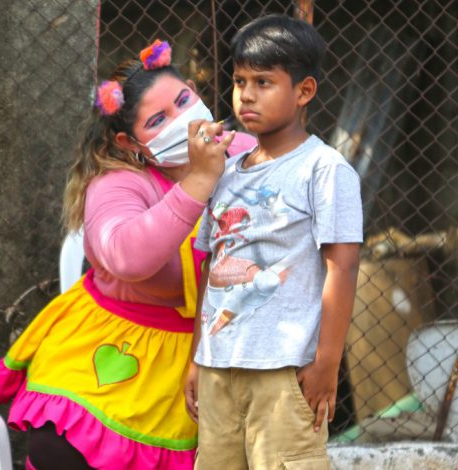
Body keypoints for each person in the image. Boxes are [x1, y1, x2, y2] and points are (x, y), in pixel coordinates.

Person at [0, 39, 254, 470]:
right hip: (119, 337)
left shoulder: (244, 152)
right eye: (159, 120)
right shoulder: (118, 181)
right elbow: (126, 256)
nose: (182, 120)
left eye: (184, 101)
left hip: (218, 343)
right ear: (130, 142)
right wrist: (199, 181)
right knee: (59, 447)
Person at [184, 15, 363, 469]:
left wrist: (326, 363)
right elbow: (212, 266)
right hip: (219, 368)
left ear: (304, 91)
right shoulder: (225, 172)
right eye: (239, 81)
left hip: (284, 372)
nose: (246, 94)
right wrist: (197, 357)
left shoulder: (324, 169)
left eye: (263, 82)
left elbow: (342, 268)